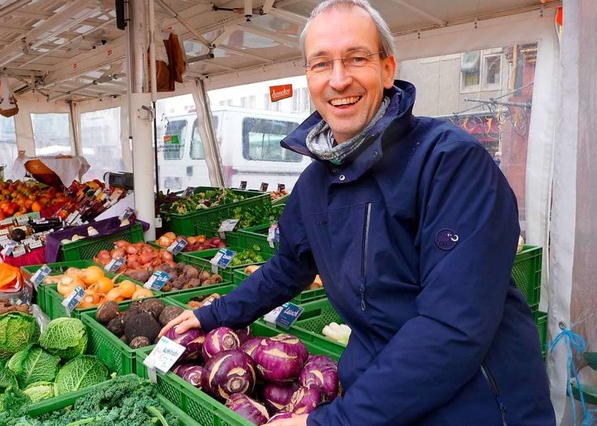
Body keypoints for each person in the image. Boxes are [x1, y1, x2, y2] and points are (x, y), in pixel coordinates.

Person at [160, 1, 555, 424]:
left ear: (387, 70)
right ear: (308, 78)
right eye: (321, 64)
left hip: (477, 407)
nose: (338, 79)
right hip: (380, 397)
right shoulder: (316, 183)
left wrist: (336, 421)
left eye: (356, 58)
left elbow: (452, 327)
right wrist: (210, 315)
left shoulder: (451, 162)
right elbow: (287, 268)